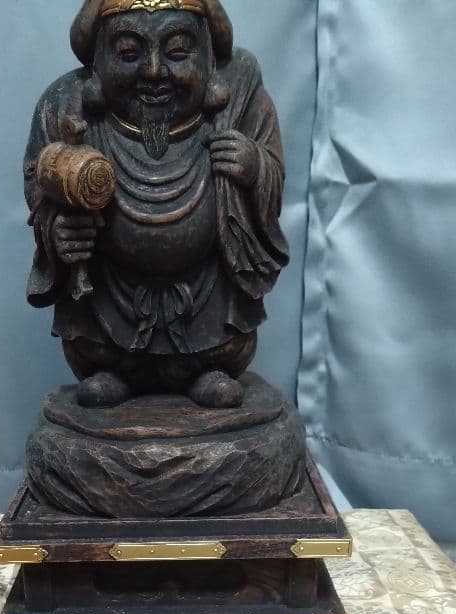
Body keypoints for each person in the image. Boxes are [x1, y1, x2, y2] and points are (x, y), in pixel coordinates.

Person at [25, 0, 290, 408]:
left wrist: (255, 167)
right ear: (98, 61)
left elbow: (274, 175)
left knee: (229, 346)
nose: (153, 71)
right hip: (109, 308)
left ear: (208, 59)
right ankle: (115, 370)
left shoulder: (237, 105)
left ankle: (204, 369)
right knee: (92, 349)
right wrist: (59, 232)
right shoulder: (66, 109)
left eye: (177, 52)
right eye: (128, 53)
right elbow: (40, 189)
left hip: (208, 303)